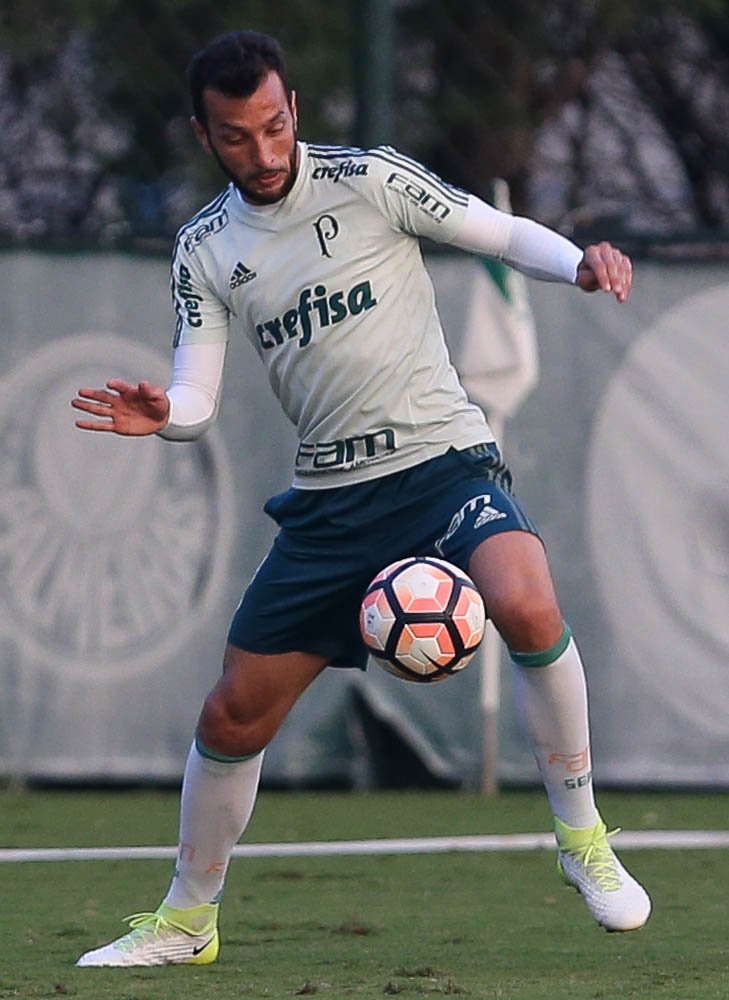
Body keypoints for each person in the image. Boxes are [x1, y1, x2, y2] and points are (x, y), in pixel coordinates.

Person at [71, 29, 651, 968]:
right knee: (231, 716)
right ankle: (186, 921)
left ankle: (583, 842)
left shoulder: (370, 180)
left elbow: (494, 232)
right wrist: (164, 414)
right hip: (331, 505)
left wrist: (576, 261)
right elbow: (197, 394)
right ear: (201, 134)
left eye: (272, 127)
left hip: (440, 464)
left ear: (292, 107)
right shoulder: (205, 250)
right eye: (234, 138)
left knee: (525, 598)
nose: (260, 154)